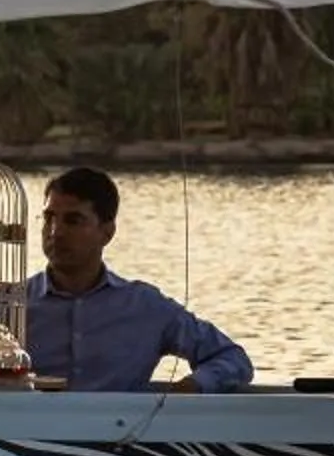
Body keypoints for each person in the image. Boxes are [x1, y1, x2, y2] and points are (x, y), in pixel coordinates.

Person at [28, 165, 253, 393]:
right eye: (49, 218)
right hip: (28, 428)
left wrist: (189, 389)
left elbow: (232, 358)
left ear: (107, 232)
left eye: (73, 221)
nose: (55, 232)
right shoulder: (12, 306)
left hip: (124, 427)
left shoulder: (144, 306)